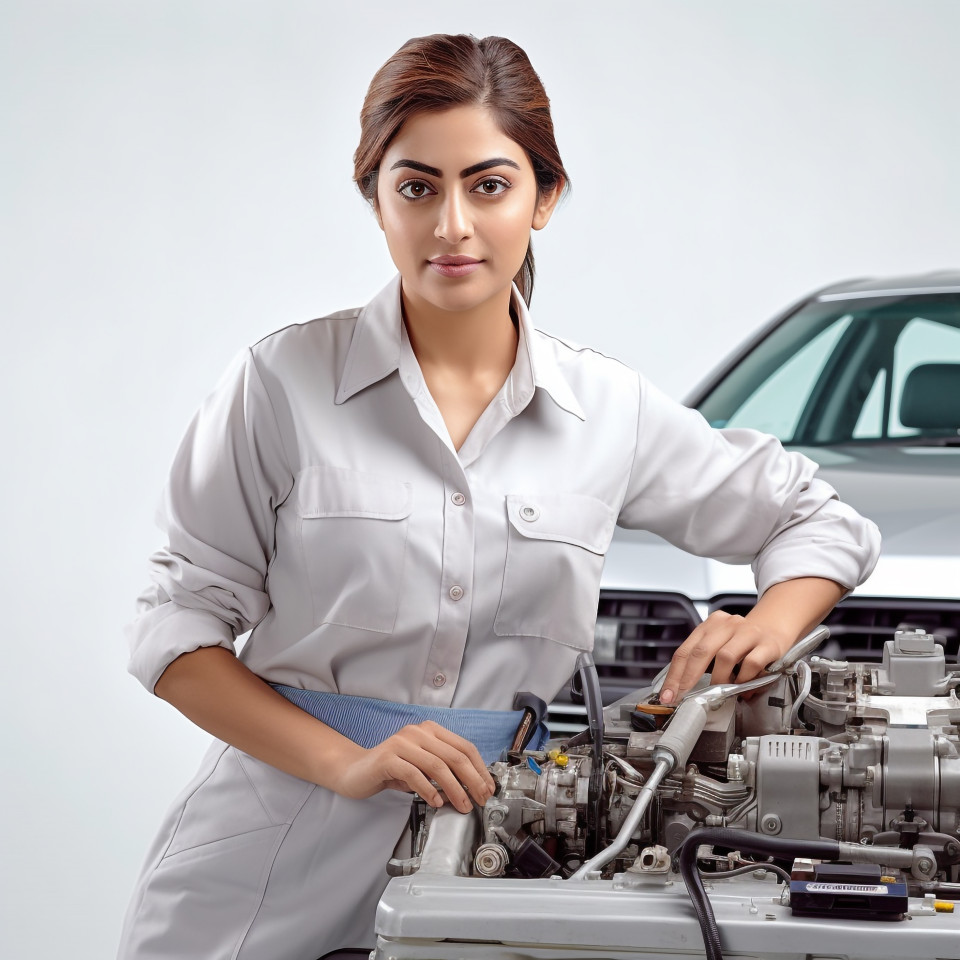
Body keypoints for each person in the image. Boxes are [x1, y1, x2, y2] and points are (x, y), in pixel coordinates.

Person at [118, 33, 880, 960]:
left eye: (487, 185)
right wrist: (349, 763)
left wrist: (764, 622)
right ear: (375, 198)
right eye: (416, 187)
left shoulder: (606, 412)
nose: (452, 226)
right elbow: (174, 630)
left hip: (502, 853)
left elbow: (817, 519)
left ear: (544, 198)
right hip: (269, 852)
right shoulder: (280, 383)